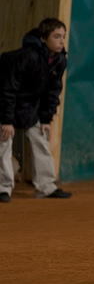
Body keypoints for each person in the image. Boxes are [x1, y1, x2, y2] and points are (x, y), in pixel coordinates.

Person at [0, 18, 72, 201]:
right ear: (43, 38)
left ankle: (46, 187)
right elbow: (8, 89)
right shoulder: (27, 56)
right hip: (7, 102)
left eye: (63, 36)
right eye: (56, 36)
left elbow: (53, 91)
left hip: (29, 106)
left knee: (40, 137)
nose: (61, 41)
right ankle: (3, 188)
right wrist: (6, 120)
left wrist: (46, 119)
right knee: (4, 141)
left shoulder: (60, 60)